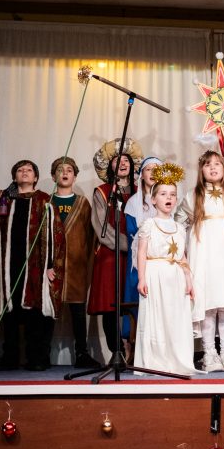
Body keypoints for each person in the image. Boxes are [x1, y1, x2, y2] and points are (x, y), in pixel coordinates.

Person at [176, 150, 224, 373]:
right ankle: (209, 352)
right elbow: (179, 227)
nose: (212, 168)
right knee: (207, 303)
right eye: (207, 164)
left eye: (217, 164)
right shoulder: (192, 196)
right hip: (203, 254)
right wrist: (184, 260)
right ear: (201, 169)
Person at [0, 160, 64, 371]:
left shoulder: (44, 201)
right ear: (15, 176)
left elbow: (53, 236)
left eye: (29, 170)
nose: (24, 173)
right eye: (20, 170)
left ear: (35, 177)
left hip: (35, 265)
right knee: (9, 312)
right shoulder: (4, 199)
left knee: (33, 312)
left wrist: (50, 265)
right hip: (8, 263)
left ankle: (35, 358)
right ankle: (9, 357)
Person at [134, 162, 197, 375]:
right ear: (153, 199)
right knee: (156, 318)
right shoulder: (149, 225)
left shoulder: (179, 227)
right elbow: (141, 252)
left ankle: (175, 360)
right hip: (155, 274)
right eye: (163, 194)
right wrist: (142, 279)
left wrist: (189, 280)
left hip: (175, 277)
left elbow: (183, 257)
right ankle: (155, 361)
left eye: (172, 194)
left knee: (174, 319)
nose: (168, 198)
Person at [87, 138, 143, 363]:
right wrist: (132, 245)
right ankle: (116, 351)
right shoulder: (102, 192)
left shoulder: (141, 192)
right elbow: (102, 229)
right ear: (110, 166)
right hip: (112, 256)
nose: (122, 163)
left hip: (138, 257)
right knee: (112, 305)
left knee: (136, 303)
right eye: (116, 159)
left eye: (126, 159)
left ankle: (135, 349)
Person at [50, 156, 100, 369]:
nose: (64, 173)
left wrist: (86, 260)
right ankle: (40, 353)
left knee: (78, 311)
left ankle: (82, 353)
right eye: (60, 170)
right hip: (51, 267)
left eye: (69, 169)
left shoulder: (82, 202)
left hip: (77, 266)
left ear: (75, 175)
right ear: (54, 176)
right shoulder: (46, 202)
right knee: (48, 310)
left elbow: (91, 235)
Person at [125, 155, 162, 356]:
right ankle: (137, 348)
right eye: (149, 169)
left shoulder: (168, 197)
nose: (153, 173)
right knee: (139, 302)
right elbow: (132, 231)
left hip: (164, 258)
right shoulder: (133, 203)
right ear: (142, 175)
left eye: (157, 169)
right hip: (140, 260)